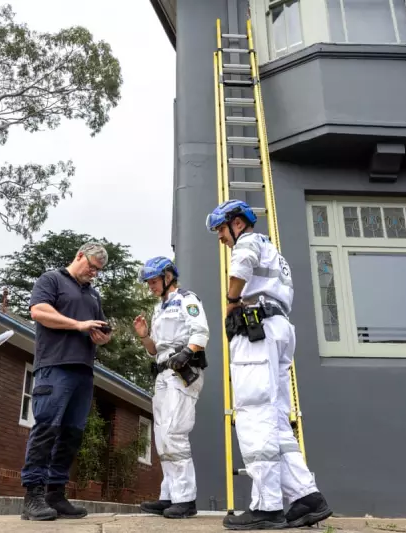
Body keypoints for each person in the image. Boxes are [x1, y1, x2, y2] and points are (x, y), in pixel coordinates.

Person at [206, 199, 333, 530]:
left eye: (221, 229)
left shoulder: (248, 242)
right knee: (276, 419)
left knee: (253, 412)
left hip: (256, 331)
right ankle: (307, 497)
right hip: (278, 329)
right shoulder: (273, 251)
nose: (220, 237)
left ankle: (266, 507)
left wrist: (231, 302)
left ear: (237, 224)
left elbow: (241, 266)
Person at [19, 243, 113, 521]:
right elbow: (38, 312)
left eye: (99, 270)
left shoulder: (93, 294)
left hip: (83, 370)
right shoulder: (52, 279)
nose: (94, 273)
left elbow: (100, 327)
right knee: (47, 428)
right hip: (54, 366)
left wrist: (103, 336)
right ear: (79, 255)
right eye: (92, 266)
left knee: (72, 435)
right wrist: (78, 325)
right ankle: (32, 496)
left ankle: (55, 495)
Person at [133, 257, 209, 520]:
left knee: (175, 433)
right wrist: (144, 335)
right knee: (162, 437)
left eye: (154, 281)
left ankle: (185, 499)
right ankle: (169, 496)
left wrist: (186, 353)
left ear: (168, 276)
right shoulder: (159, 309)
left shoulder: (187, 299)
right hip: (162, 374)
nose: (151, 286)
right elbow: (154, 350)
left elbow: (201, 333)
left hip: (181, 372)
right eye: (149, 282)